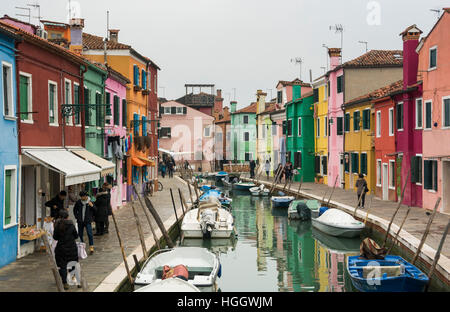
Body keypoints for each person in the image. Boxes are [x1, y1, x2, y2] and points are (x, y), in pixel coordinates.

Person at [53, 210, 79, 290]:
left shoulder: (57, 225)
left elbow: (55, 237)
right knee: (72, 264)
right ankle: (73, 279)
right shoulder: (71, 225)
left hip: (61, 248)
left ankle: (65, 283)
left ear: (60, 217)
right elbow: (76, 236)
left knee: (62, 265)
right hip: (72, 248)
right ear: (67, 217)